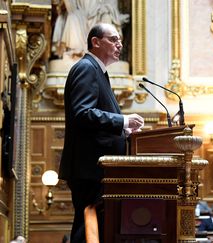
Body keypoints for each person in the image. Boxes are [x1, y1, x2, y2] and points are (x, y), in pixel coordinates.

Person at [59, 23, 144, 242]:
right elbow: (83, 113)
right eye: (113, 39)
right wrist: (122, 120)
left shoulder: (98, 71)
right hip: (91, 168)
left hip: (96, 167)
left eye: (120, 41)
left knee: (92, 226)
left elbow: (93, 120)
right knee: (87, 226)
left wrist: (123, 130)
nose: (119, 45)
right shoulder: (87, 68)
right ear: (95, 42)